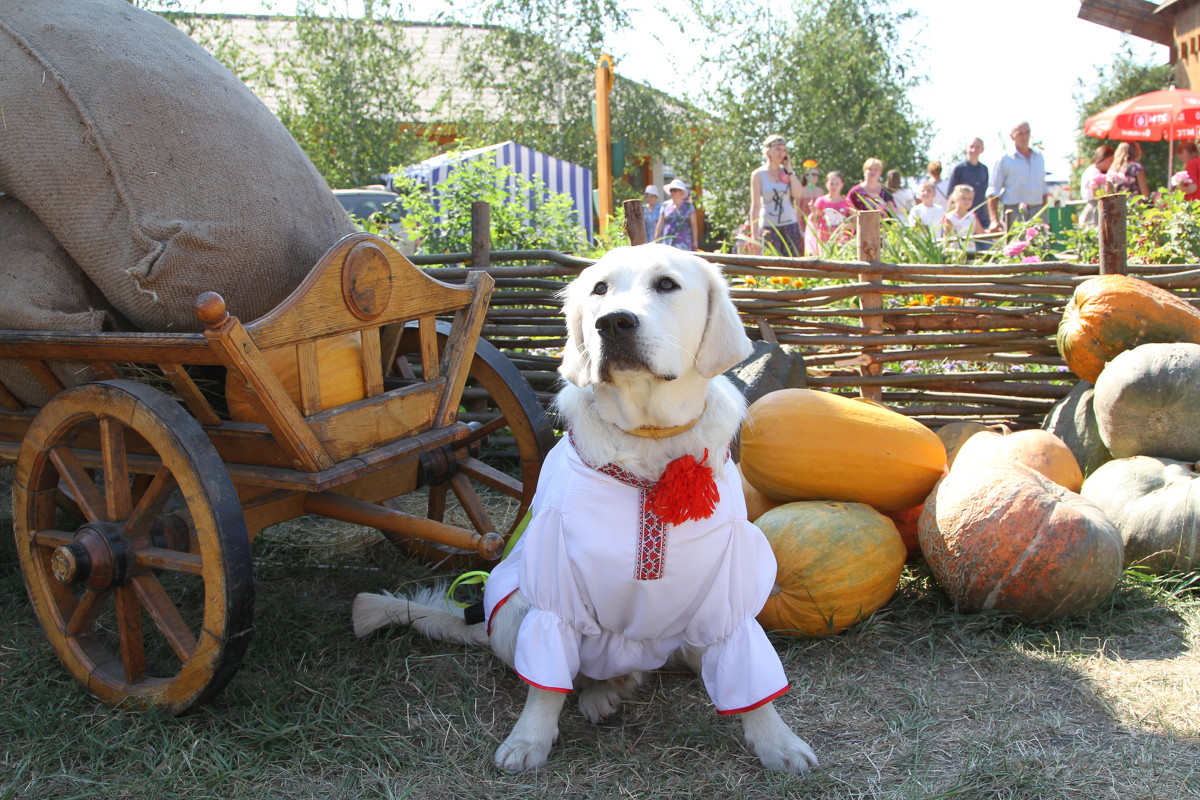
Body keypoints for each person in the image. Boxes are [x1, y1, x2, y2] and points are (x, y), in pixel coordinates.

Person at [986, 121, 1049, 231]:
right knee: (1016, 245)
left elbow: (1043, 188)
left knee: (1040, 246)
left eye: (1027, 132)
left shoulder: (1038, 157)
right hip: (1014, 211)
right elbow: (993, 191)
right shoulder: (1004, 159)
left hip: (1037, 211)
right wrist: (994, 220)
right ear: (1012, 136)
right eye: (1020, 134)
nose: (1024, 137)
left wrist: (1044, 213)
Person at [748, 135, 804, 256]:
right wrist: (754, 233)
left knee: (792, 262)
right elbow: (755, 205)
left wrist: (790, 171)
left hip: (789, 224)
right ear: (768, 151)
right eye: (778, 149)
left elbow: (798, 194)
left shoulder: (786, 172)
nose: (781, 153)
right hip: (769, 225)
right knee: (770, 262)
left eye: (784, 150)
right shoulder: (758, 174)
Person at [804, 170, 855, 255]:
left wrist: (847, 226)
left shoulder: (846, 202)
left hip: (842, 241)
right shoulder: (821, 201)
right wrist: (813, 210)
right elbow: (816, 218)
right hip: (824, 240)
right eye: (831, 184)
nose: (834, 186)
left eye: (837, 184)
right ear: (826, 184)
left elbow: (854, 221)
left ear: (842, 185)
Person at [947, 137, 990, 229]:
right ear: (966, 148)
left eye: (978, 147)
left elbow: (985, 194)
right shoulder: (959, 169)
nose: (974, 150)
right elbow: (950, 196)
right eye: (971, 146)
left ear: (982, 150)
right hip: (962, 220)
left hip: (982, 219)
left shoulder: (984, 170)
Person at [654, 178, 699, 250]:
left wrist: (695, 241)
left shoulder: (689, 206)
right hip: (667, 242)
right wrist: (655, 239)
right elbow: (660, 224)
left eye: (675, 190)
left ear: (682, 192)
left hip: (684, 242)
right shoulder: (665, 205)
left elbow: (693, 224)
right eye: (671, 190)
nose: (672, 192)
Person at [942, 184, 986, 254]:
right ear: (956, 198)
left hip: (970, 250)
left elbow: (981, 232)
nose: (967, 201)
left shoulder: (972, 216)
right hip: (955, 251)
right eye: (964, 198)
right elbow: (946, 237)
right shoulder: (949, 217)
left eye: (969, 199)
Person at [1078, 145, 1115, 227]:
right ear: (1102, 158)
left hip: (1092, 205)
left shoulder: (1091, 170)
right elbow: (1095, 194)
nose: (1111, 164)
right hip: (1095, 206)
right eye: (1110, 160)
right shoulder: (1094, 172)